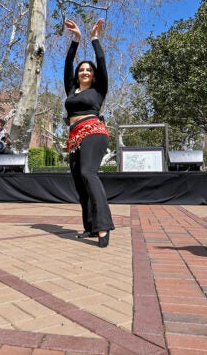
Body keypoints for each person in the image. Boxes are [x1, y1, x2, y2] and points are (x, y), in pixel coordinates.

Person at [63, 18, 114, 248]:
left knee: (88, 173)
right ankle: (90, 226)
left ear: (93, 75)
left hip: (93, 131)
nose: (85, 72)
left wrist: (94, 39)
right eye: (82, 70)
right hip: (74, 137)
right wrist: (76, 39)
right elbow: (67, 64)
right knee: (79, 181)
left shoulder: (98, 90)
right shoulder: (71, 90)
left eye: (88, 70)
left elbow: (101, 63)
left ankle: (104, 226)